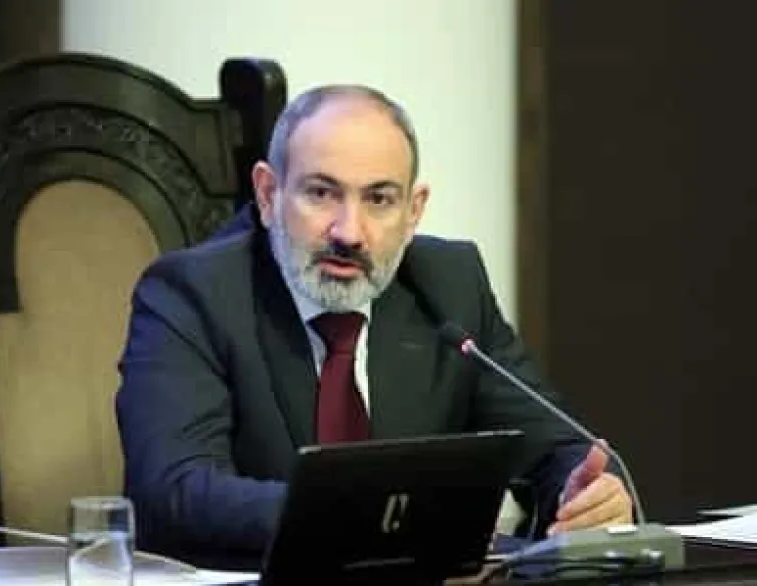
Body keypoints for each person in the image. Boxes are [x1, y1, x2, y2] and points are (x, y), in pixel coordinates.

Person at [115, 84, 632, 570]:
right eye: (322, 193)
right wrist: (376, 515)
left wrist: (590, 495)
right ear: (268, 195)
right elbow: (175, 491)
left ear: (413, 211)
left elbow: (558, 446)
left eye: (379, 199)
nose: (349, 232)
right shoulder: (193, 294)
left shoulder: (449, 285)